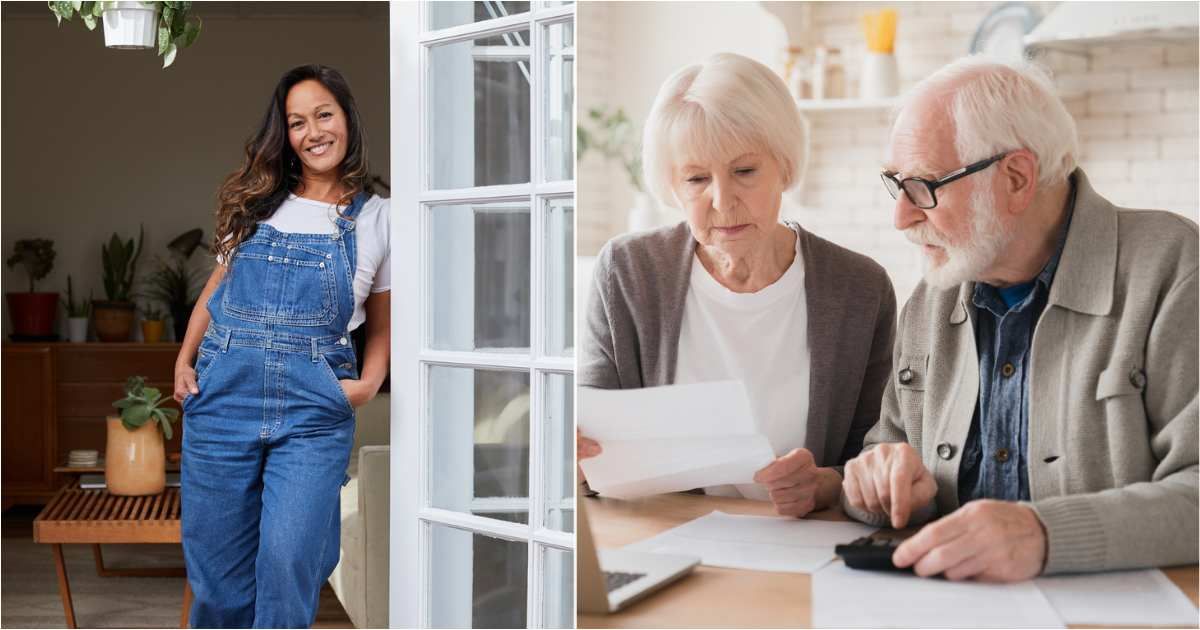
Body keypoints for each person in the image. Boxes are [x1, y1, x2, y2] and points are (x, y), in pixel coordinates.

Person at [842, 54, 1198, 581]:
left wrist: (1045, 534)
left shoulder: (1173, 267)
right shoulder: (930, 298)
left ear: (1015, 178)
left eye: (924, 186)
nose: (901, 217)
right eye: (897, 184)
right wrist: (881, 488)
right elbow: (887, 450)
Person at [579, 52, 896, 517]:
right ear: (672, 185)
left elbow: (878, 455)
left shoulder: (860, 289)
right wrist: (576, 459)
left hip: (802, 542)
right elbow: (592, 448)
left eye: (744, 172)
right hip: (658, 538)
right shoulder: (627, 273)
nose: (722, 201)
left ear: (784, 167)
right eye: (696, 178)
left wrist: (826, 485)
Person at [173, 64, 391, 626]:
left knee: (290, 560)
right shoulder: (254, 203)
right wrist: (182, 360)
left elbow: (388, 320)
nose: (313, 131)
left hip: (313, 406)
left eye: (324, 115)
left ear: (347, 119)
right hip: (223, 398)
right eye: (297, 122)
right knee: (217, 578)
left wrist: (367, 384)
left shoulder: (378, 218)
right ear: (285, 134)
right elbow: (214, 292)